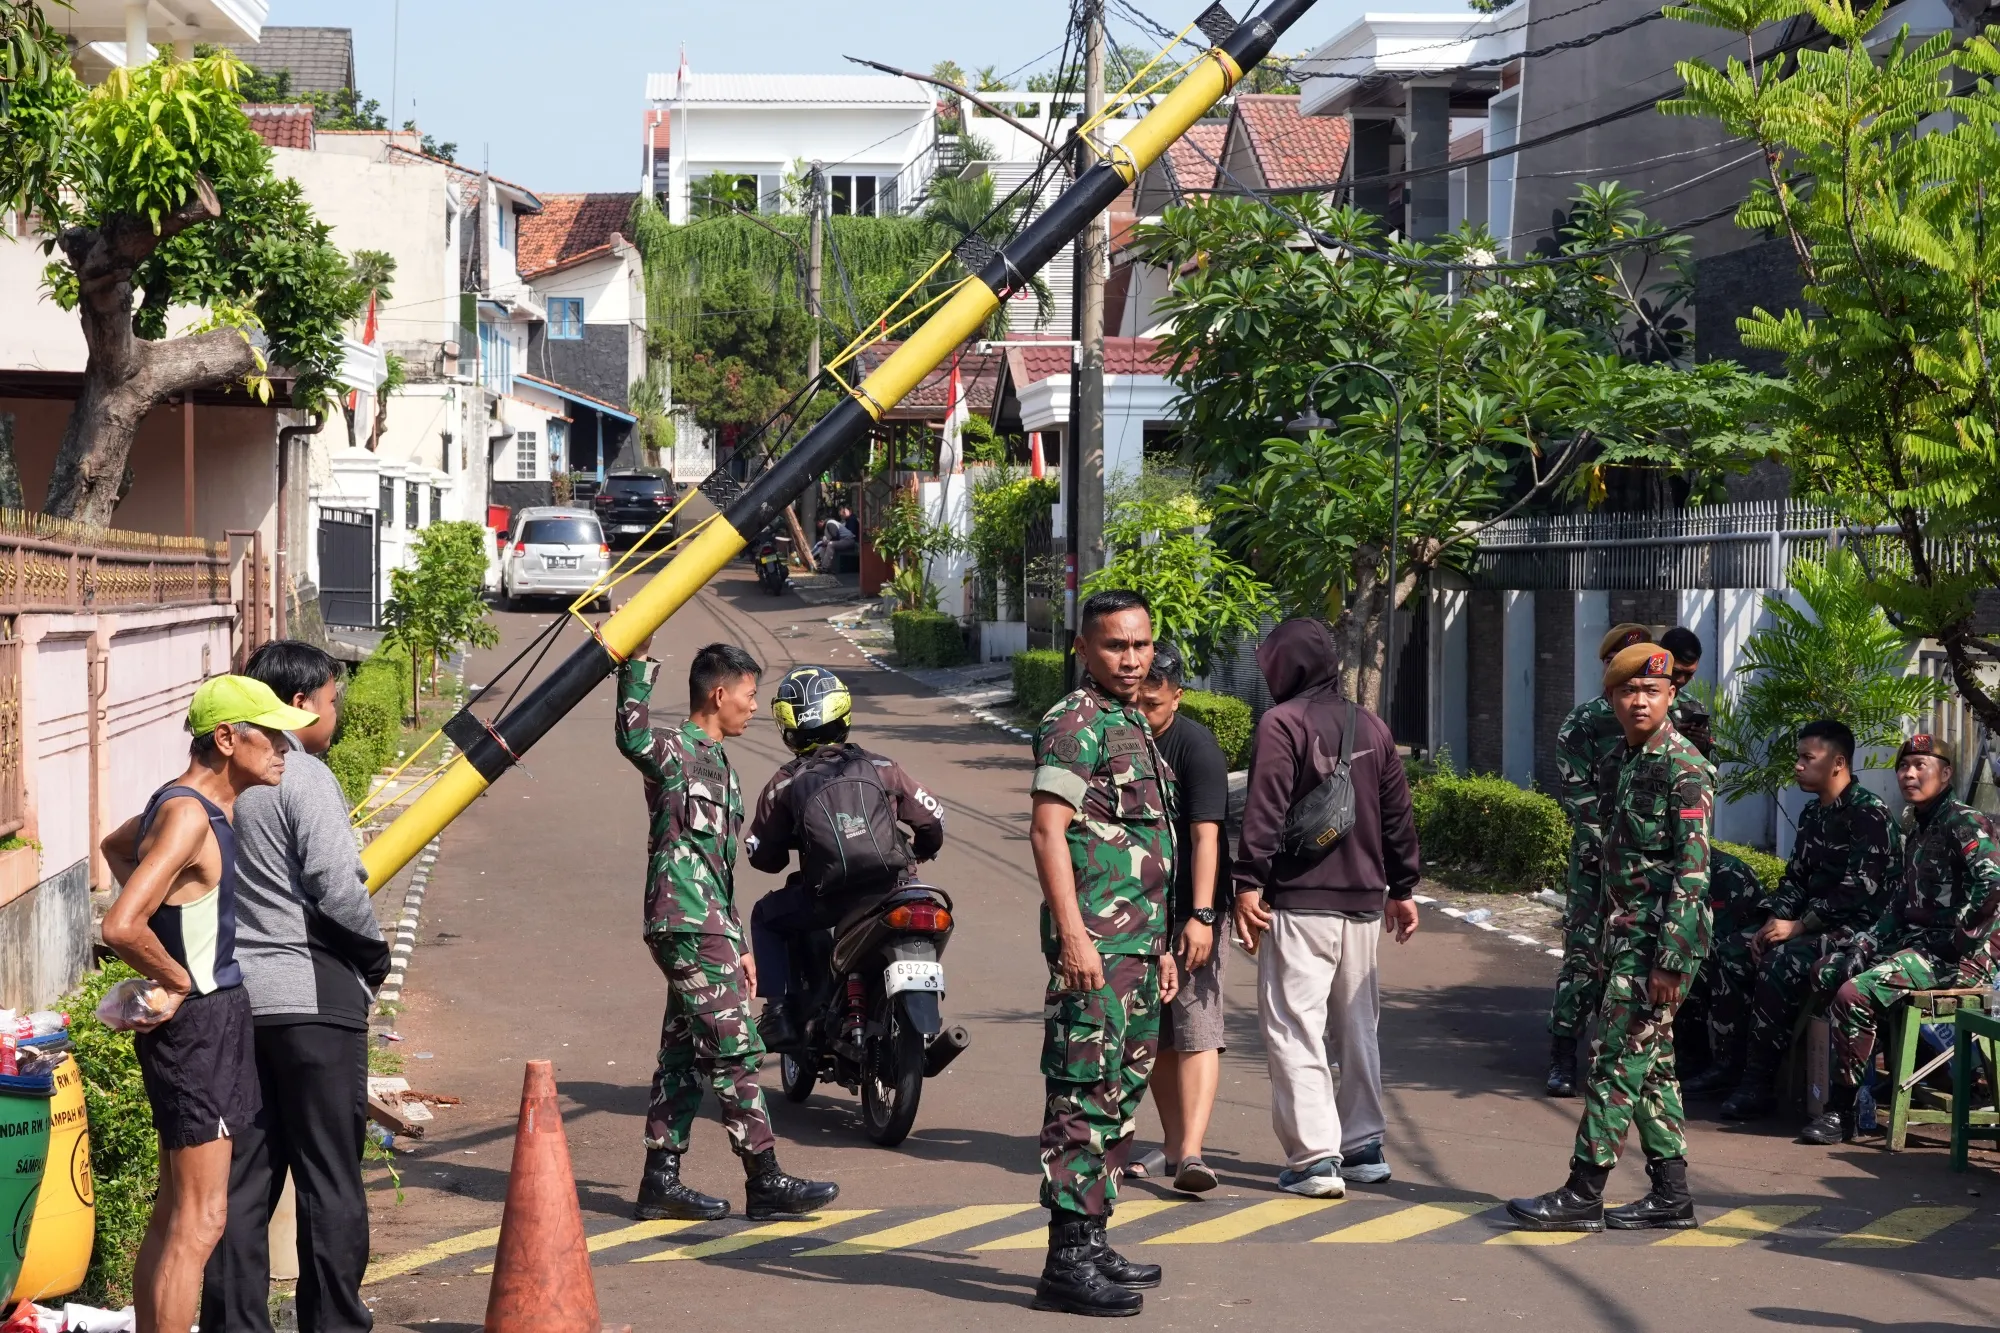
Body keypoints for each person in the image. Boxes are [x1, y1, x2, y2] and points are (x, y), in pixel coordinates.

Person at [99, 676, 316, 1333]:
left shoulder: (182, 806)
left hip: (205, 1025)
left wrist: (171, 951)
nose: (284, 748)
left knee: (177, 1214)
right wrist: (179, 977)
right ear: (227, 738)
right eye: (270, 735)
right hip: (199, 1027)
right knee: (201, 1219)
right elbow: (119, 925)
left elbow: (116, 847)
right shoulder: (191, 813)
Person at [200, 644, 390, 1333]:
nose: (335, 714)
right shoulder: (300, 774)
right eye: (333, 701)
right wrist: (374, 956)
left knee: (243, 1184)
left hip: (236, 1001)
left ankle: (234, 1324)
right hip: (313, 1001)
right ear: (301, 702)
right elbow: (339, 884)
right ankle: (334, 1324)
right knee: (329, 1178)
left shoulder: (217, 786)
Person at [615, 640, 837, 1222]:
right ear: (719, 694)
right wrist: (635, 663)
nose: (754, 707)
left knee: (682, 1055)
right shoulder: (671, 750)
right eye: (749, 694)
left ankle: (659, 1181)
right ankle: (764, 1178)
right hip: (682, 918)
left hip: (709, 924)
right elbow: (630, 733)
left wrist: (738, 942)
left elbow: (721, 866)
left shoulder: (725, 768)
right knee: (737, 1049)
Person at [1508, 643, 1713, 1233]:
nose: (1640, 700)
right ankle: (1672, 1195)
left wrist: (1670, 960)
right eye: (1629, 691)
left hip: (1657, 945)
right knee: (1653, 1069)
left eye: (1652, 691)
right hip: (1624, 937)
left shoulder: (1684, 769)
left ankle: (1583, 1192)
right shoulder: (1625, 760)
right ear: (1613, 699)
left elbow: (1693, 872)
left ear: (1671, 696)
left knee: (1614, 1061)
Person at [1027, 588, 1180, 1317]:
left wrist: (1161, 946)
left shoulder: (1129, 722)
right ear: (1084, 648)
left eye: (1141, 644)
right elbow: (1047, 830)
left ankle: (1091, 1236)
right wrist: (1076, 935)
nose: (1132, 658)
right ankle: (1064, 1260)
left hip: (1138, 952)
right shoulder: (1074, 721)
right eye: (1116, 645)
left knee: (1118, 1099)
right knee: (1081, 1097)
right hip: (1095, 951)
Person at [1234, 617, 1420, 1200]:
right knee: (1357, 1026)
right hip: (1364, 905)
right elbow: (1398, 814)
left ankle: (1315, 1158)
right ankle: (1363, 1145)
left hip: (1300, 901)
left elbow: (1263, 809)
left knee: (1295, 1027)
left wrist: (1248, 882)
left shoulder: (1281, 723)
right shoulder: (1371, 724)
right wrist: (1403, 888)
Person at [1801, 733, 2000, 1145]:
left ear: (1945, 774)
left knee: (1855, 993)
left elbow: (1993, 885)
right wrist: (1863, 946)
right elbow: (1900, 904)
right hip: (1922, 944)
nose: (1909, 774)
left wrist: (1960, 940)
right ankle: (1864, 1095)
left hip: (1961, 955)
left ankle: (1842, 1111)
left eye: (1920, 766)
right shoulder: (1918, 823)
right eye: (1904, 766)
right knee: (1828, 970)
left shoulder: (1962, 821)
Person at [745, 665, 945, 1052]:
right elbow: (933, 819)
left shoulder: (784, 784)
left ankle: (779, 1013)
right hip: (897, 888)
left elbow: (763, 857)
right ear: (844, 717)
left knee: (765, 915)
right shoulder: (884, 768)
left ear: (788, 729)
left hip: (830, 900)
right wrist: (921, 850)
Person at [1718, 719, 1900, 1119]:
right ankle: (1726, 1067)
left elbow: (1858, 891)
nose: (1798, 766)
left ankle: (1758, 1085)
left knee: (1780, 963)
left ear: (1837, 763)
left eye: (1807, 758)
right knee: (1731, 949)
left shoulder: (1869, 814)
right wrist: (1775, 921)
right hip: (1815, 924)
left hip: (1858, 932)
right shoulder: (1813, 814)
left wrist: (1799, 927)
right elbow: (1795, 878)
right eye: (1798, 757)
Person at [1128, 641, 1229, 1195]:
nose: (1144, 712)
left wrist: (1204, 915)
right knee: (1157, 1032)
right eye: (1137, 702)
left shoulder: (1195, 746)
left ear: (1178, 697)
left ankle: (1192, 1150)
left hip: (1191, 907)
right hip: (1137, 907)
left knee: (1197, 1029)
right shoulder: (1121, 737)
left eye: (1155, 704)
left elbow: (1206, 835)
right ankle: (1171, 1145)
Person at [1546, 623, 1658, 1097]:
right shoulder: (1584, 724)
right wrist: (1613, 847)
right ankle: (1562, 1056)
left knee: (1644, 959)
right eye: (1624, 668)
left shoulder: (1680, 717)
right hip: (1596, 862)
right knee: (1584, 956)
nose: (1637, 693)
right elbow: (1579, 799)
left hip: (1652, 867)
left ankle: (1635, 1060)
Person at [1679, 845, 1769, 1096]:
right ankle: (1690, 1059)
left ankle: (1726, 1066)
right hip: (1715, 949)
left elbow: (1721, 936)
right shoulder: (1676, 869)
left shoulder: (1728, 872)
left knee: (1700, 967)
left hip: (1743, 951)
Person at [1659, 627, 1713, 758]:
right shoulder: (1638, 701)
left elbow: (1712, 766)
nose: (1681, 680)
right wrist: (1672, 739)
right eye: (1676, 671)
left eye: (1689, 674)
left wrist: (1702, 747)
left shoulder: (1693, 707)